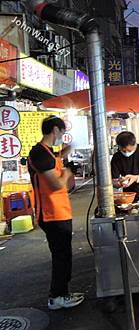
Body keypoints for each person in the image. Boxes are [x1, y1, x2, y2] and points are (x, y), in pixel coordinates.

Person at [28, 116, 84, 310]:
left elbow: (56, 159)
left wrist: (69, 150)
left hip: (59, 211)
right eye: (61, 132)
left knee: (64, 254)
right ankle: (57, 296)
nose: (62, 136)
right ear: (55, 130)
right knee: (61, 256)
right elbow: (56, 183)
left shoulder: (47, 153)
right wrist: (69, 171)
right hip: (51, 214)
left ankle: (62, 293)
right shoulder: (39, 153)